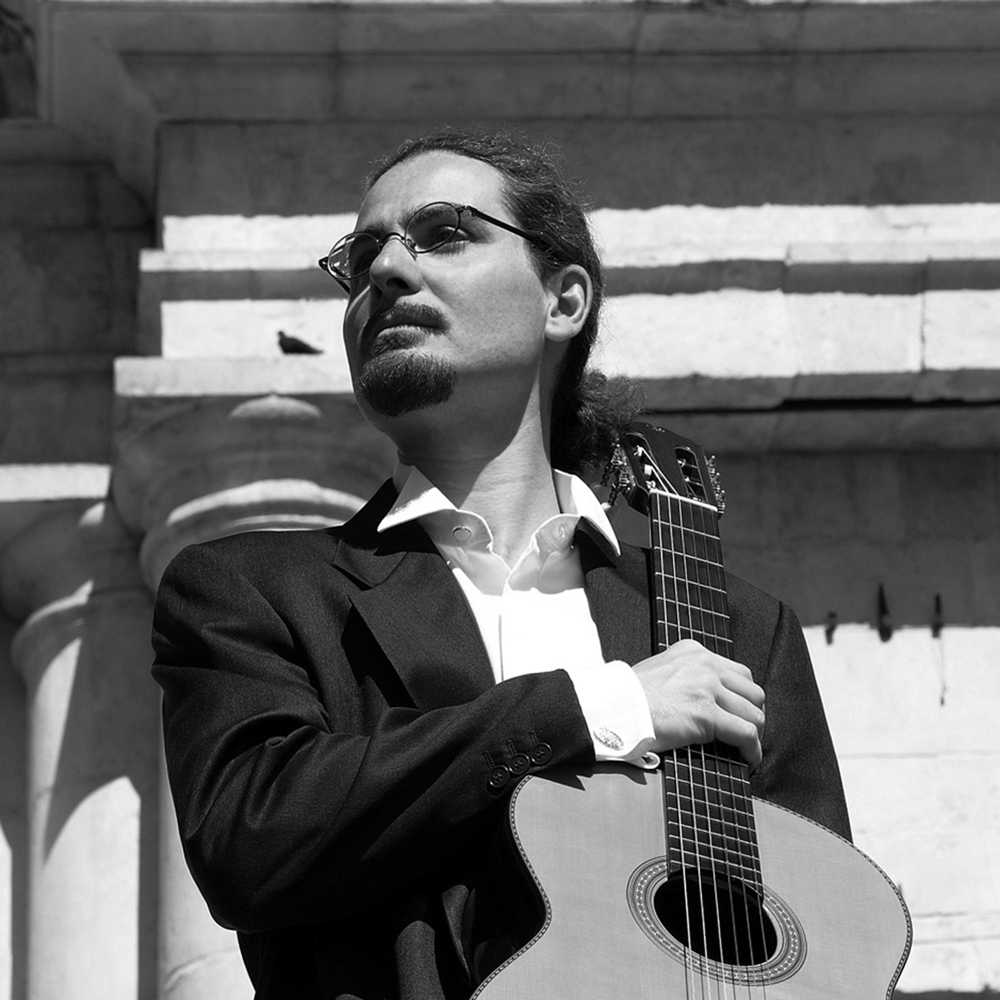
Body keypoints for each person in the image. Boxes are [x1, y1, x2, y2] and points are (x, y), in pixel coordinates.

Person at [151, 128, 851, 1000]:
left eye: (444, 233)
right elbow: (251, 841)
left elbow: (829, 942)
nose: (385, 270)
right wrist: (601, 707)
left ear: (563, 300)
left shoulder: (741, 629)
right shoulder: (253, 590)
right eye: (361, 255)